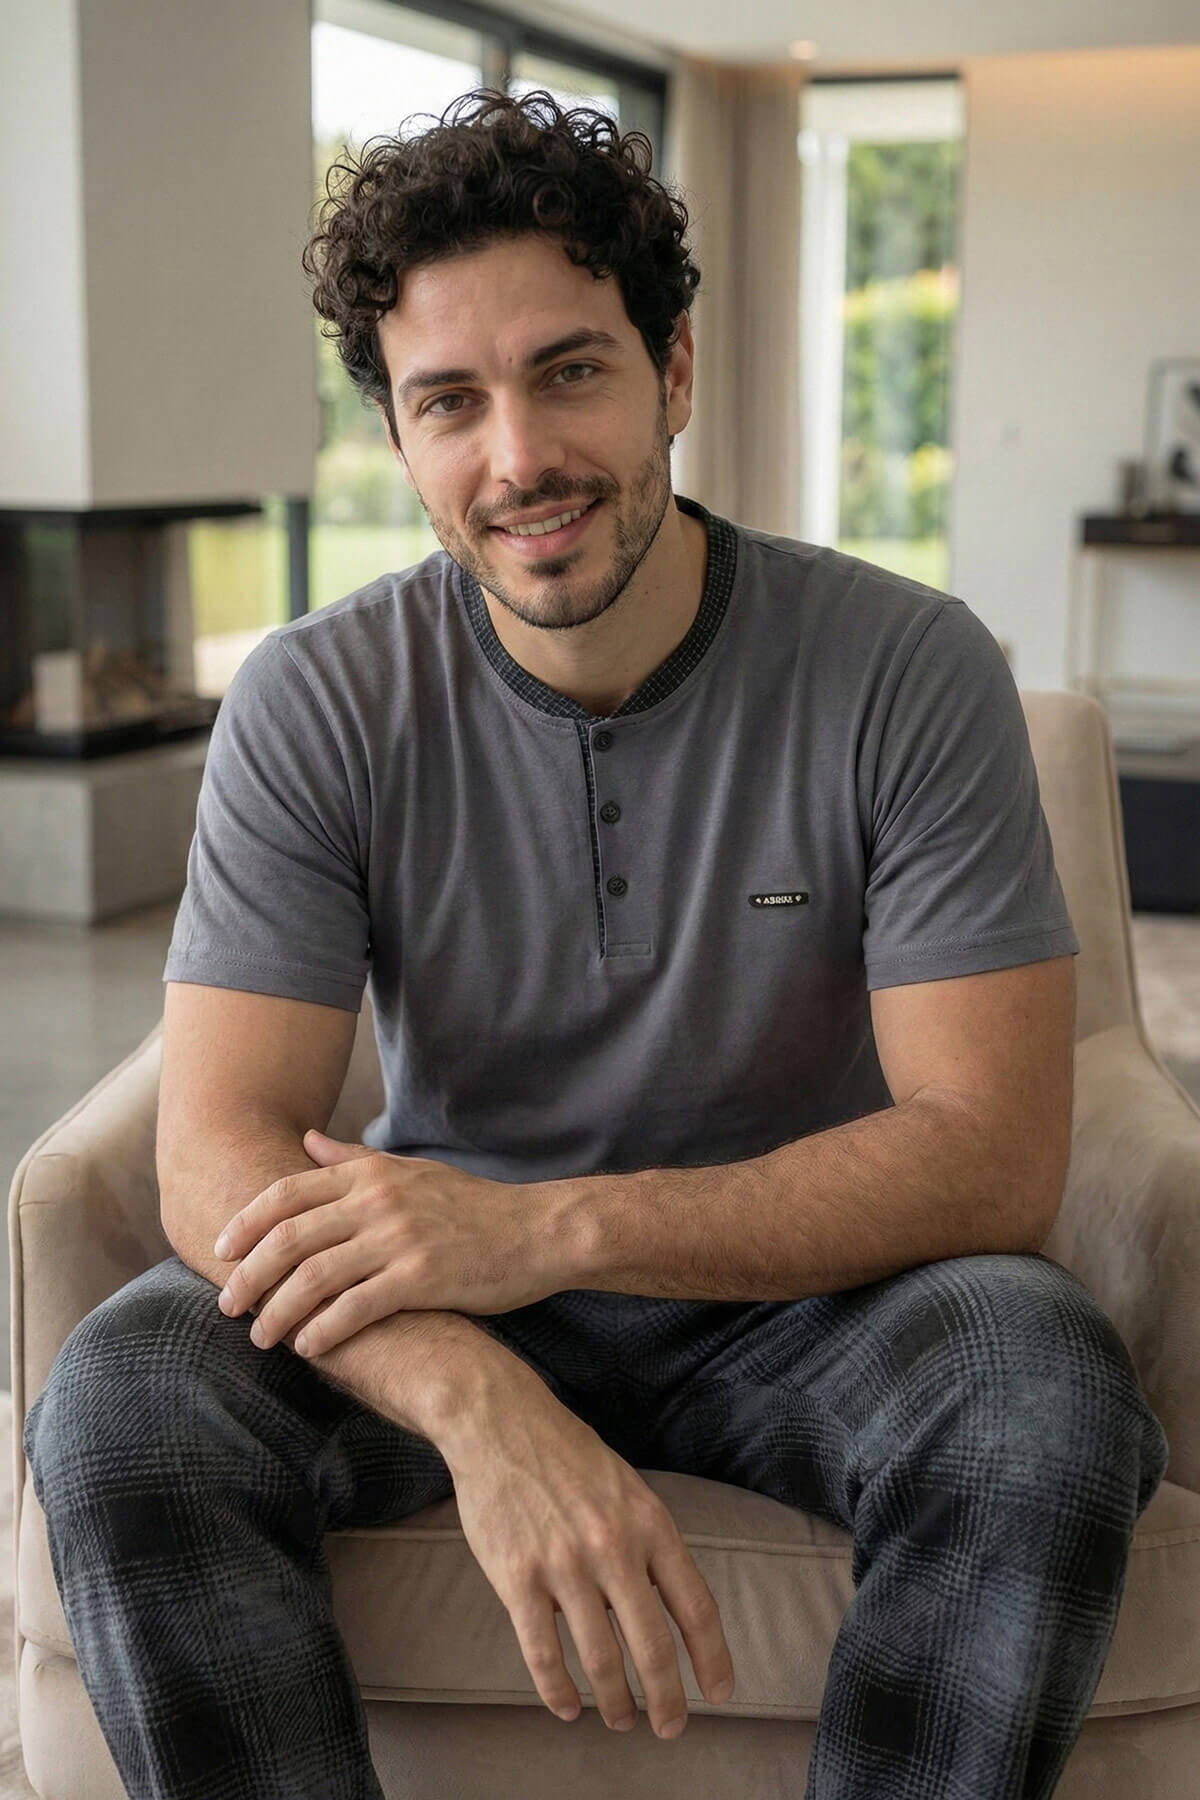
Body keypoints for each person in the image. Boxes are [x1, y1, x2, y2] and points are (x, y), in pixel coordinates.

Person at [24, 88, 1168, 1800]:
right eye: (449, 402)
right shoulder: (315, 698)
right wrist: (474, 1397)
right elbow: (215, 1153)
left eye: (570, 371)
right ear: (396, 435)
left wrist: (538, 1227)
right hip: (446, 1292)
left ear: (674, 370)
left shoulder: (909, 668)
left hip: (808, 1297)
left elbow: (992, 1158)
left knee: (1035, 1382)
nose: (519, 460)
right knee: (126, 1393)